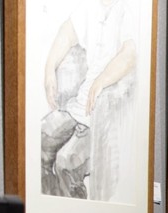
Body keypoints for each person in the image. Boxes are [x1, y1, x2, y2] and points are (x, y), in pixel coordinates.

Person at [43, 0, 138, 201]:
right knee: (42, 136)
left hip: (103, 113)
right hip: (80, 105)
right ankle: (47, 206)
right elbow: (66, 33)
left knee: (66, 162)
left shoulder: (125, 12)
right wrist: (50, 68)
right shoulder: (89, 7)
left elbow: (129, 55)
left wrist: (101, 80)